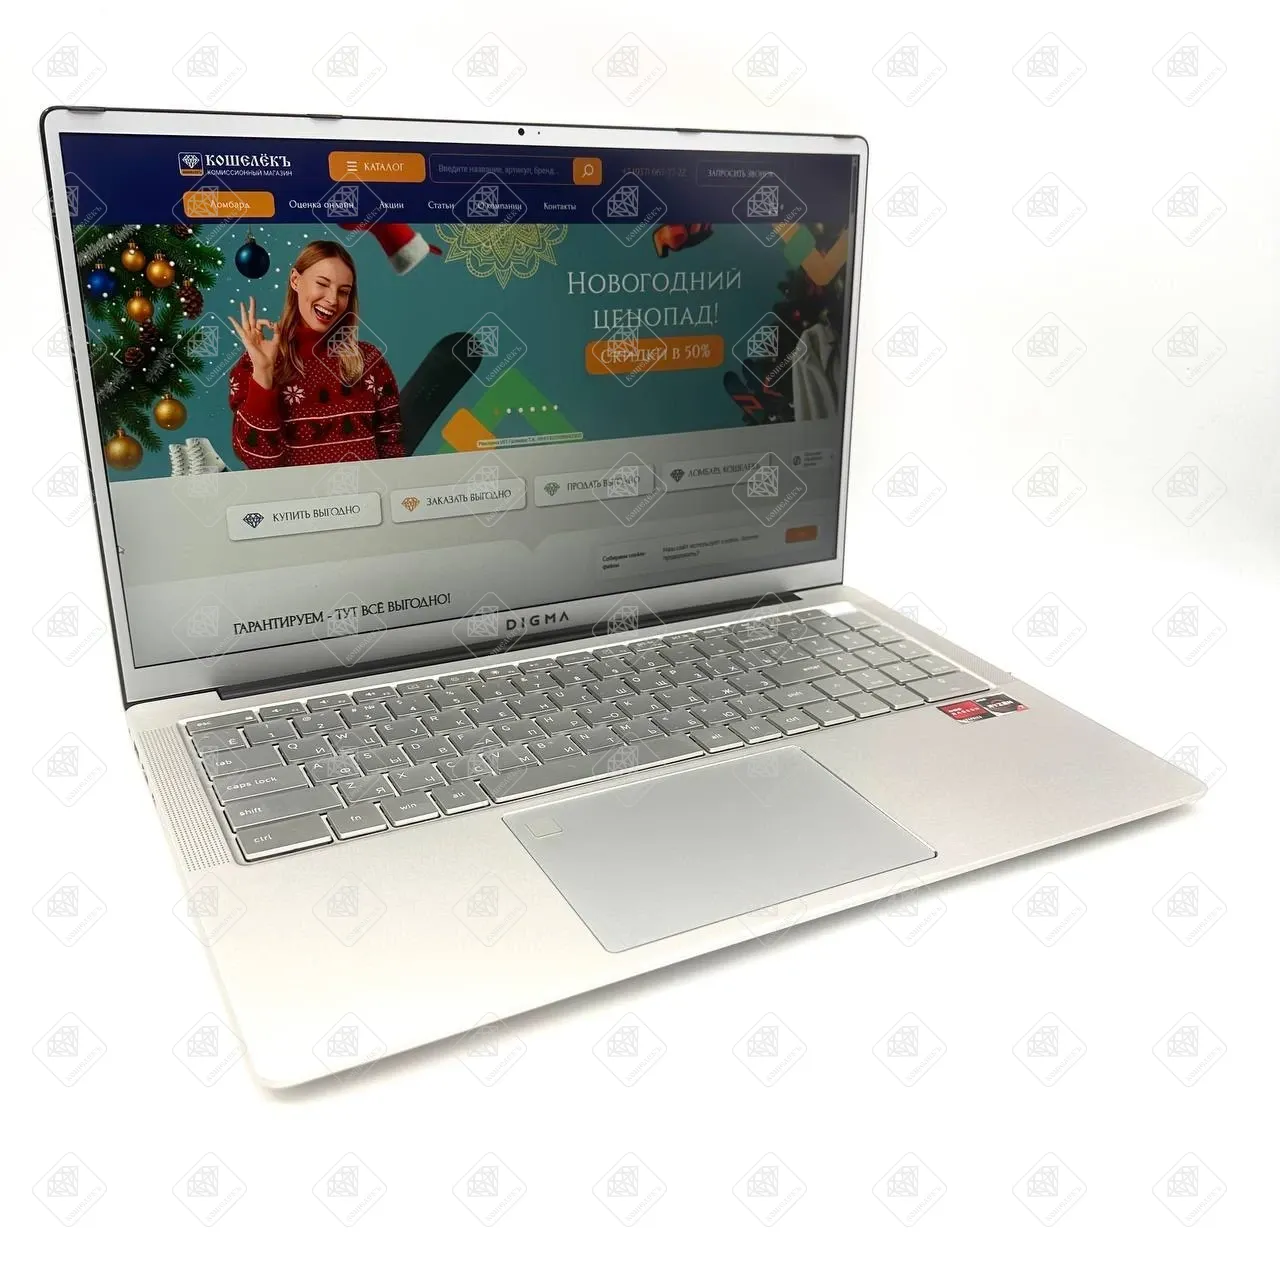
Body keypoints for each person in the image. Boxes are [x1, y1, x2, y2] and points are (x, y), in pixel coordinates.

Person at [227, 240, 404, 468]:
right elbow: (259, 460)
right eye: (322, 283)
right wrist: (263, 373)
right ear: (295, 280)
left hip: (366, 491)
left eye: (343, 292)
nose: (332, 300)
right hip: (294, 492)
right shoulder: (254, 364)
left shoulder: (370, 361)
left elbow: (393, 451)